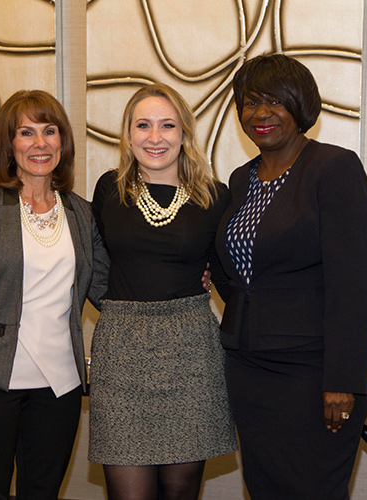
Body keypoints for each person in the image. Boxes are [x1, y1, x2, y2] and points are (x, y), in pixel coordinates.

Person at [213, 54, 367, 499]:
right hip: (248, 367)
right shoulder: (240, 180)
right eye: (250, 103)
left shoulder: (334, 168)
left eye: (275, 102)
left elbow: (354, 285)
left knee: (314, 489)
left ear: (300, 106)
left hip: (313, 371)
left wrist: (343, 379)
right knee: (264, 488)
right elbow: (240, 274)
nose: (261, 113)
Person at [0, 90, 109, 500]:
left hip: (61, 384)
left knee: (43, 491)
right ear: (9, 144)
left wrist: (184, 273)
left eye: (50, 131)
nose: (40, 144)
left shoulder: (81, 212)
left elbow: (109, 290)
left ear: (63, 141)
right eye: (26, 133)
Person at [88, 83, 237, 500]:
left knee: (180, 491)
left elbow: (228, 276)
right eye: (143, 126)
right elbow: (94, 264)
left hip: (191, 350)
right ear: (128, 134)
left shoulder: (214, 195)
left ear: (185, 134)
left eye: (167, 126)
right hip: (121, 352)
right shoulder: (108, 190)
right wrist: (119, 309)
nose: (155, 138)